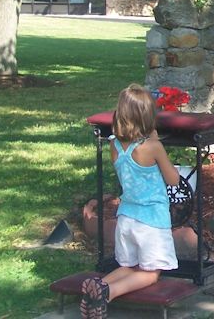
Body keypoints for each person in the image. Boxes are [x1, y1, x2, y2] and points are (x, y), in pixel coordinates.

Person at [80, 84, 179, 319]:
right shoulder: (153, 147)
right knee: (151, 273)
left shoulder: (114, 144)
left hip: (126, 216)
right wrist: (157, 143)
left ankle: (98, 286)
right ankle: (108, 292)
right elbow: (173, 179)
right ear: (148, 118)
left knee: (127, 266)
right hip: (151, 220)